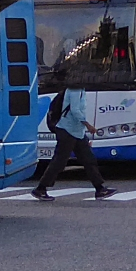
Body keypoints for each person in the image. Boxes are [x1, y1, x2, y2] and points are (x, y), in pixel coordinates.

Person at [32, 70, 117, 201]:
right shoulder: (75, 90)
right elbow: (75, 110)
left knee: (88, 159)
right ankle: (41, 188)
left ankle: (100, 189)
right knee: (59, 161)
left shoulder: (79, 89)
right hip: (67, 131)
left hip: (77, 132)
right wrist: (88, 125)